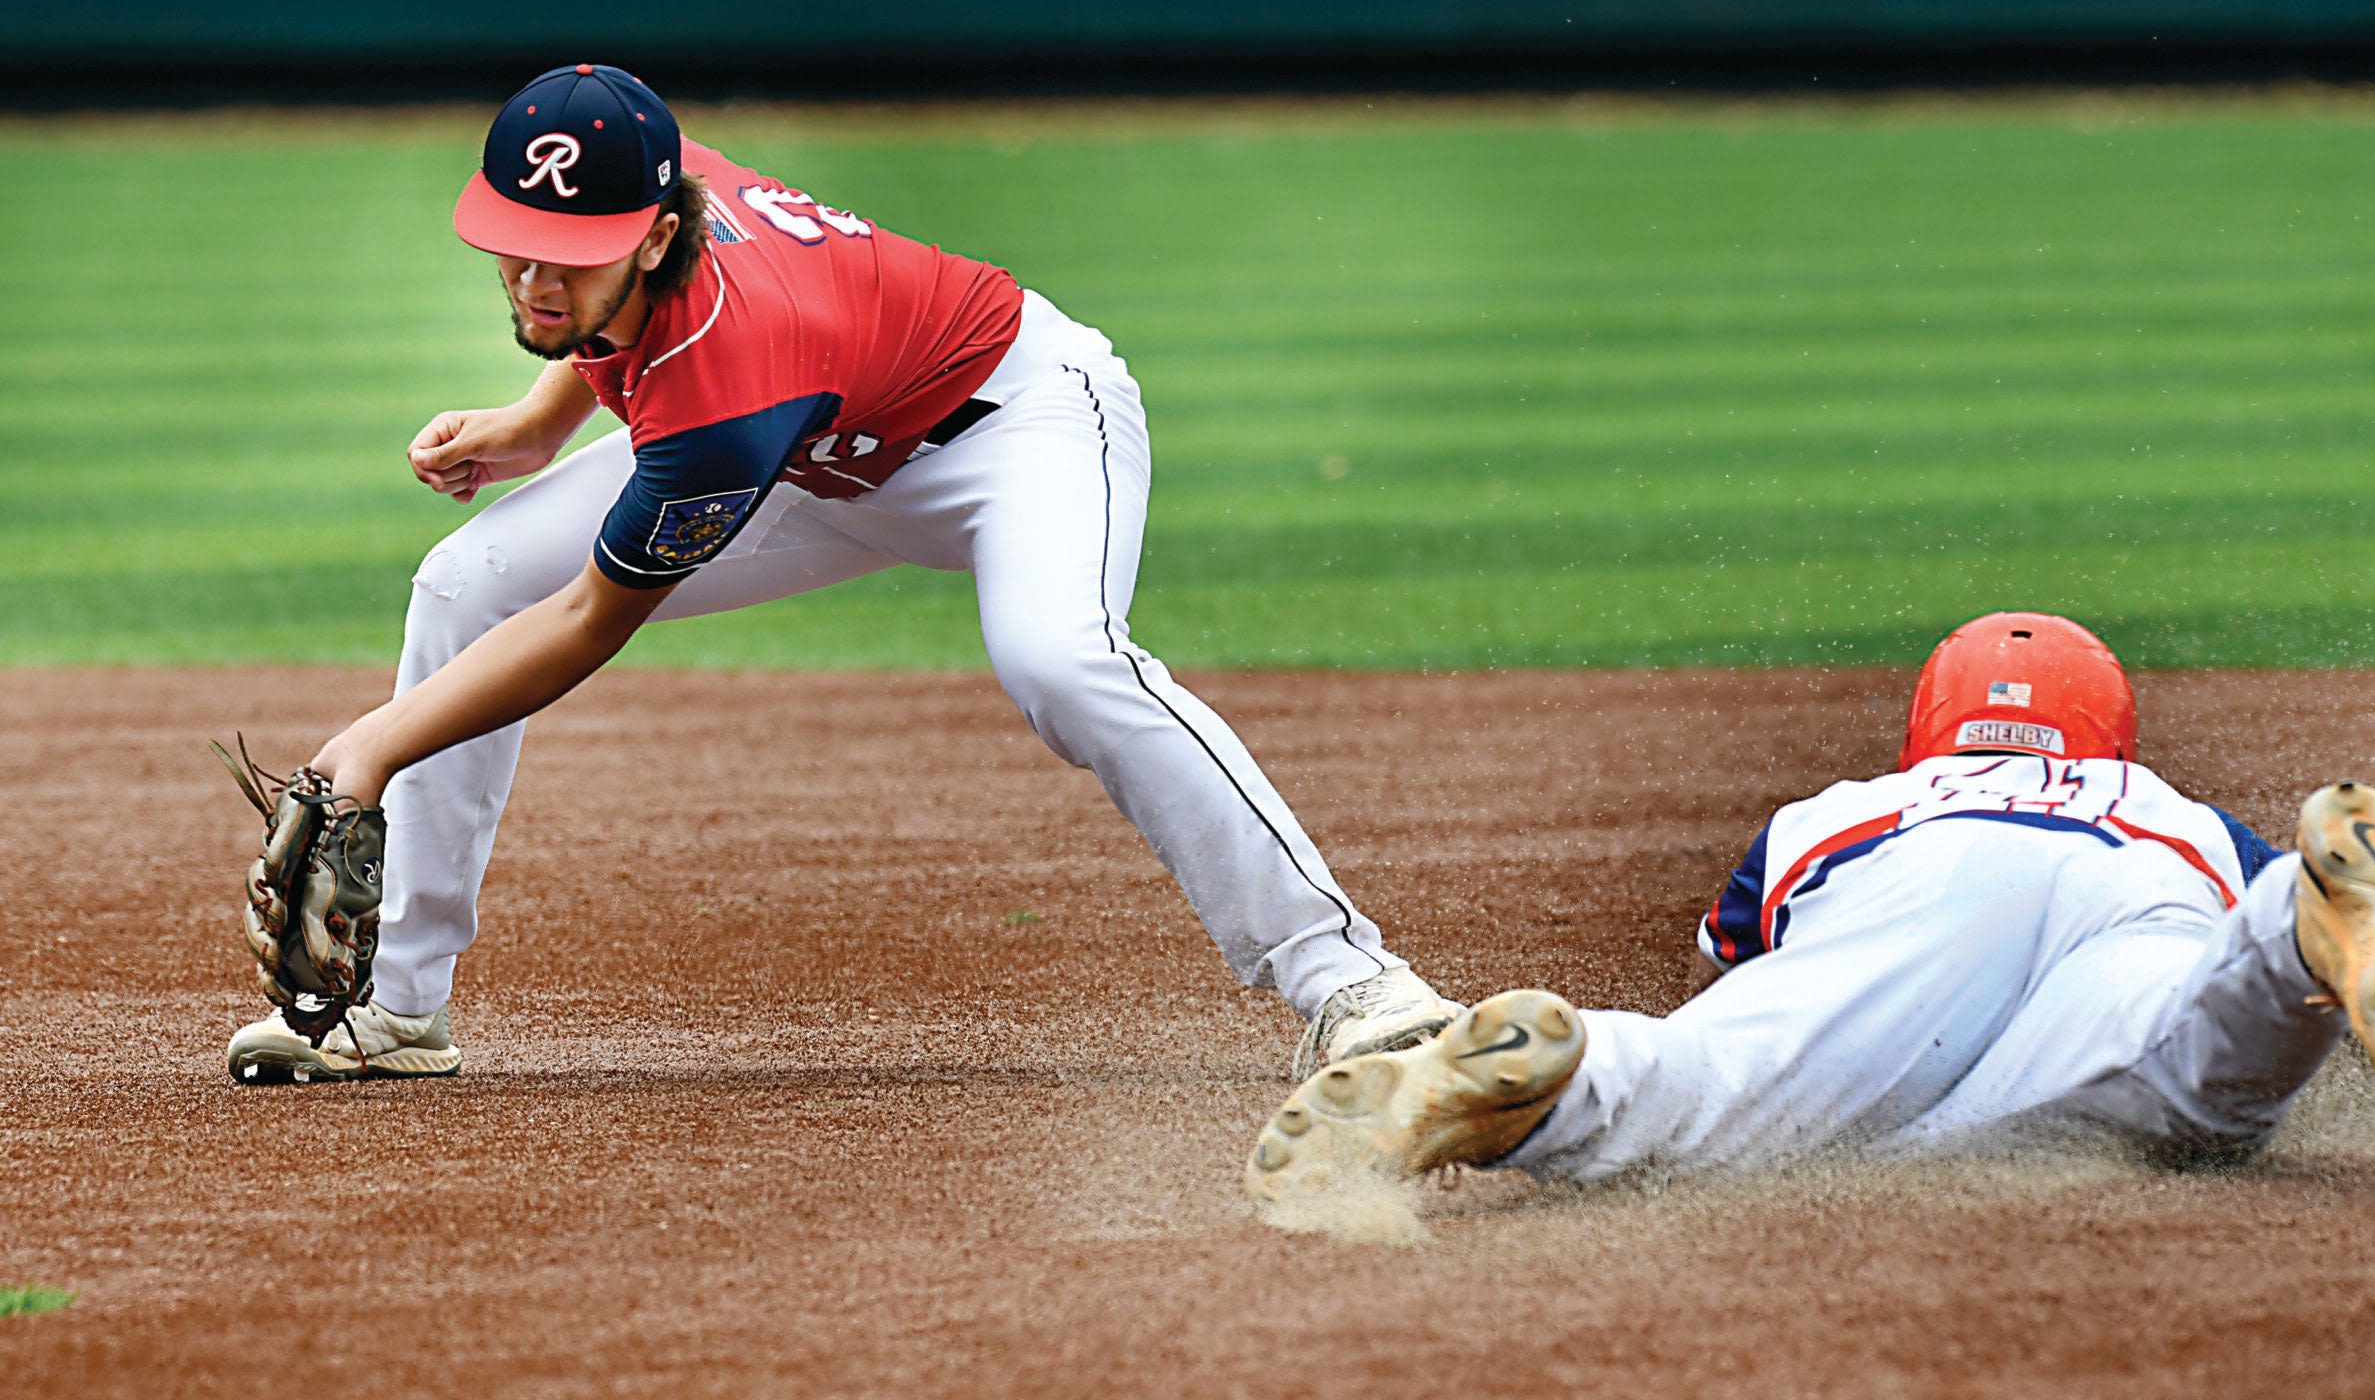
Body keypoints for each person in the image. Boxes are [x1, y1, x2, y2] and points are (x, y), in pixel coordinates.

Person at [225, 64, 1460, 1083]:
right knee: (464, 579)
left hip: (1014, 423)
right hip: (819, 454)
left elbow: (591, 617)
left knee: (1062, 663)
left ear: (656, 236)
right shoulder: (652, 180)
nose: (537, 280)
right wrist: (542, 421)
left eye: (572, 255)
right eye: (516, 249)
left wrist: (372, 749)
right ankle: (397, 1006)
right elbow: (598, 326)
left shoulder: (726, 376)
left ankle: (1349, 979)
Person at [1244, 611, 2375, 1205]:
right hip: (2142, 892)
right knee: (2201, 1072)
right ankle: (2304, 927)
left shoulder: (1845, 809)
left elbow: (1730, 973)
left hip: (1916, 890)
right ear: (2106, 732)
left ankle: (1559, 1083)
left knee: (1717, 1077)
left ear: (1929, 730)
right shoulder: (2170, 807)